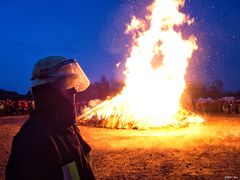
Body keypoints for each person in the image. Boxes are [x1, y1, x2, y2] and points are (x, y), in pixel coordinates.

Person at [6, 56, 95, 180]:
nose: (74, 90)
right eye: (66, 84)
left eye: (74, 84)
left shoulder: (70, 129)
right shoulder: (31, 141)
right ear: (45, 92)